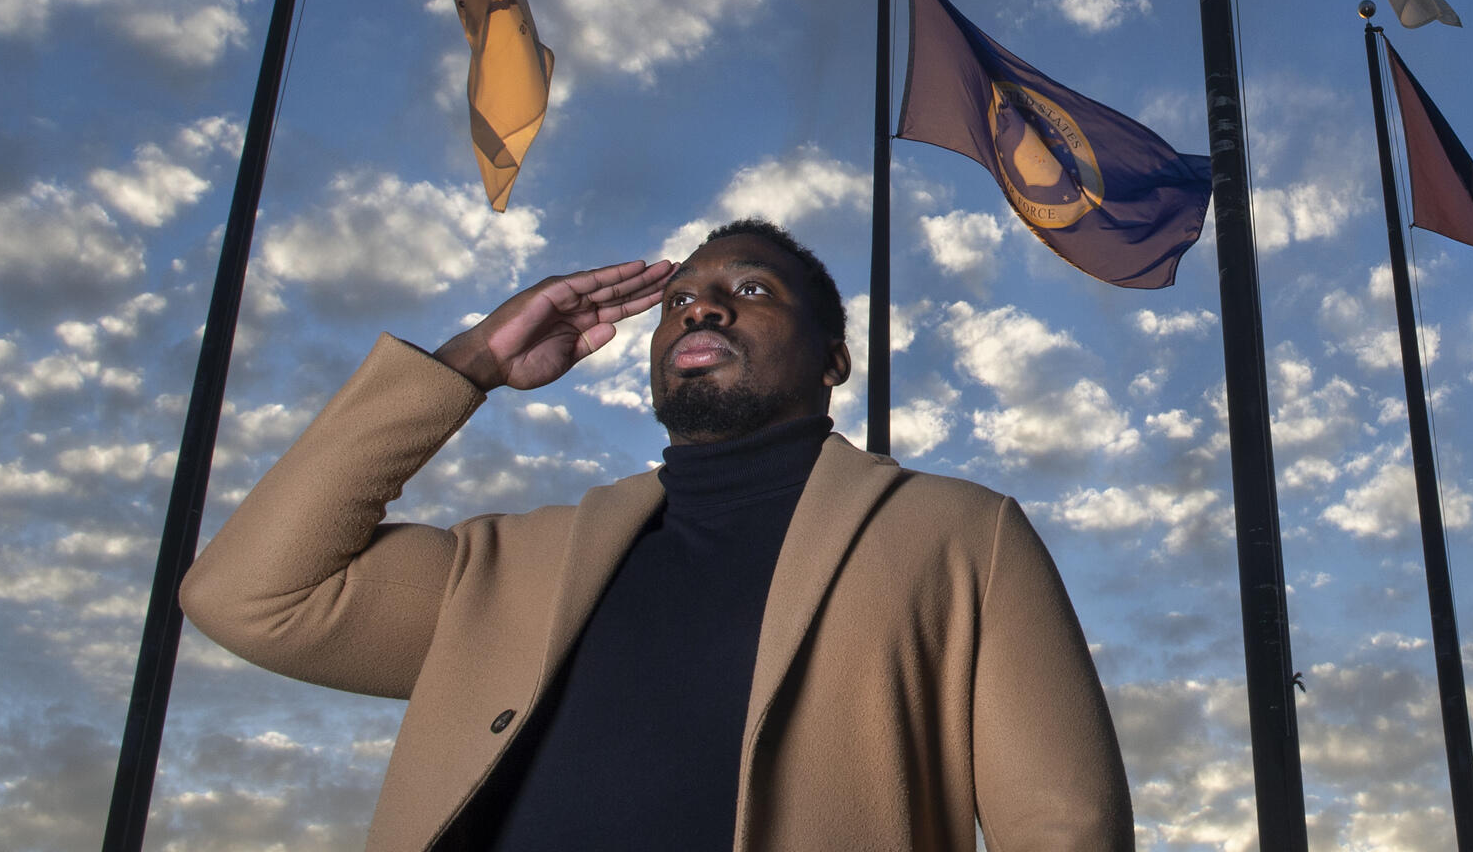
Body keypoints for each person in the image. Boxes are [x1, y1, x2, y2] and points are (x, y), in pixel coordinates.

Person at [181, 218, 1133, 852]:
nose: (703, 305)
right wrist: (468, 362)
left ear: (834, 358)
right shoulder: (514, 566)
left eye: (751, 290)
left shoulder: (959, 534)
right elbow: (250, 596)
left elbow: (1065, 826)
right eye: (679, 299)